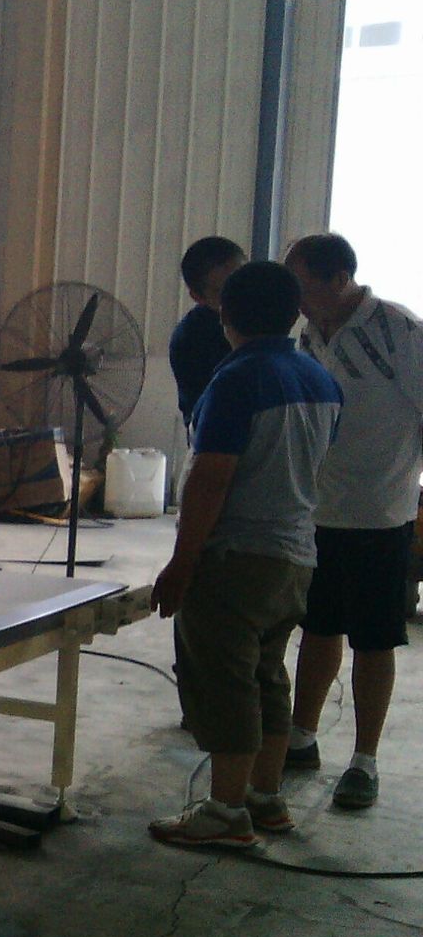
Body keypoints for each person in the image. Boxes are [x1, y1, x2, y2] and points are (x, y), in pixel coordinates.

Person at [149, 260, 342, 847]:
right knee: (266, 677)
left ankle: (226, 812)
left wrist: (182, 564)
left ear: (225, 315)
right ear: (294, 314)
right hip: (296, 557)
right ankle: (265, 797)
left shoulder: (236, 380)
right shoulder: (320, 380)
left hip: (236, 558)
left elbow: (211, 478)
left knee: (226, 683)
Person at [281, 232, 423, 809]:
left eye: (301, 284)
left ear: (339, 279)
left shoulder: (399, 332)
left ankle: (365, 761)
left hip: (380, 514)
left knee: (374, 638)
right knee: (317, 628)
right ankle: (301, 736)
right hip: (317, 511)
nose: (294, 297)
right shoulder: (307, 336)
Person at [171, 236, 246, 430]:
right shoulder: (189, 340)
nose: (239, 296)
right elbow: (201, 417)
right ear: (198, 297)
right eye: (223, 292)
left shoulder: (268, 314)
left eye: (243, 282)